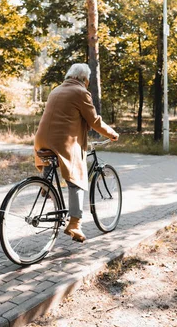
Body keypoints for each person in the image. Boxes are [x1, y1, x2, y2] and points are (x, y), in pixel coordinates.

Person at [34, 63, 119, 243]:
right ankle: (75, 223)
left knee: (52, 163)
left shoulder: (56, 90)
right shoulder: (81, 92)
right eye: (88, 81)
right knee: (76, 178)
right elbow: (94, 121)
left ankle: (45, 185)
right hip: (62, 142)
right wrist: (112, 133)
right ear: (84, 79)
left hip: (42, 139)